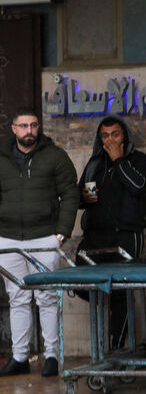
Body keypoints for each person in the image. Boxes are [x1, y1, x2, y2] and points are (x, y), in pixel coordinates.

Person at [0, 108, 77, 377]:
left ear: (39, 127)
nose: (29, 131)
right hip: (7, 239)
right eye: (23, 126)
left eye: (33, 125)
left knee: (47, 298)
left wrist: (61, 233)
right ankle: (20, 357)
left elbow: (70, 193)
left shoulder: (55, 156)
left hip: (45, 237)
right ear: (14, 129)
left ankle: (52, 356)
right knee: (17, 298)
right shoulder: (2, 159)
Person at [77, 116, 146, 351]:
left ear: (125, 136)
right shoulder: (94, 164)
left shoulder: (139, 160)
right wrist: (85, 198)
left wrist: (118, 159)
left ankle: (117, 348)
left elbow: (137, 186)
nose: (110, 140)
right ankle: (109, 304)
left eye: (115, 134)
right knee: (80, 282)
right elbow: (80, 197)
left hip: (126, 236)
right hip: (95, 237)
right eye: (105, 136)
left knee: (123, 293)